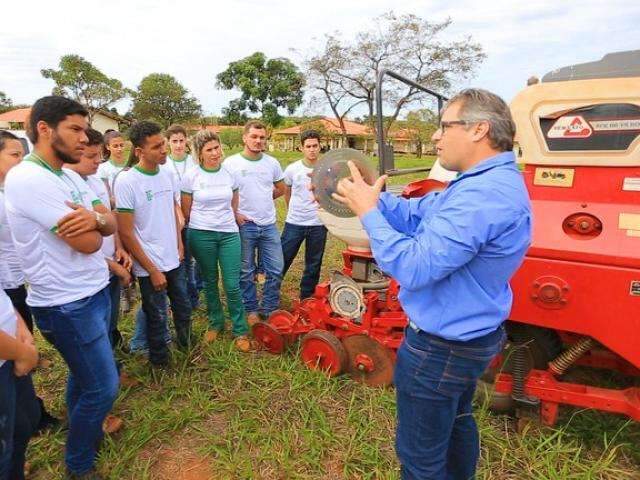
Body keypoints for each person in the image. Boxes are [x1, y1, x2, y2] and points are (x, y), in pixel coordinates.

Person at [333, 89, 532, 479]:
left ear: (479, 129)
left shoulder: (482, 195)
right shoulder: (481, 183)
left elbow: (414, 267)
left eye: (445, 126)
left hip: (441, 351)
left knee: (420, 459)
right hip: (469, 340)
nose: (437, 136)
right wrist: (373, 197)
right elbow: (416, 213)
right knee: (457, 421)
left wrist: (370, 213)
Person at [4, 96, 119, 479]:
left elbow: (110, 222)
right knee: (103, 388)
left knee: (83, 377)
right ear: (44, 129)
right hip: (66, 303)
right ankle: (79, 464)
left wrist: (97, 220)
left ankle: (80, 431)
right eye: (74, 128)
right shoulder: (28, 179)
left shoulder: (69, 175)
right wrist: (97, 224)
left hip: (93, 290)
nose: (84, 138)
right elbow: (88, 243)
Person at [63, 129, 137, 406]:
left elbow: (110, 219)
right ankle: (91, 399)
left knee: (108, 326)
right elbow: (77, 243)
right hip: (90, 272)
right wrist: (112, 265)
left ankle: (113, 372)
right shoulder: (66, 187)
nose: (98, 161)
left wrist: (119, 247)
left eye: (99, 155)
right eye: (92, 156)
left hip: (109, 265)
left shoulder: (95, 182)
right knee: (91, 340)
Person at [115, 121, 192, 368]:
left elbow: (171, 212)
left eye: (164, 144)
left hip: (174, 257)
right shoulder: (127, 181)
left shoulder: (168, 173)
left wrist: (179, 245)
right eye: (157, 146)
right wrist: (152, 269)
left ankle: (187, 347)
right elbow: (126, 232)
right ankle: (160, 364)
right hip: (149, 265)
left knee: (183, 307)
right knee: (157, 316)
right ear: (139, 151)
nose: (164, 150)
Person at [0, 130, 60, 435]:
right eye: (13, 154)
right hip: (6, 285)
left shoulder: (12, 192)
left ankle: (30, 414)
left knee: (21, 347)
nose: (20, 160)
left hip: (17, 282)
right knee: (11, 355)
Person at [181, 131, 252, 351]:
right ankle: (216, 322)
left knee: (232, 285)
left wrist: (228, 220)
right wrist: (203, 225)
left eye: (217, 147)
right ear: (200, 154)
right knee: (210, 282)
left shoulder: (230, 174)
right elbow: (186, 210)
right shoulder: (191, 176)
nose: (215, 153)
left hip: (229, 234)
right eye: (209, 149)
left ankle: (240, 329)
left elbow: (234, 204)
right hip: (201, 234)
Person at [223, 121, 286, 324]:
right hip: (244, 225)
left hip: (268, 224)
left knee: (276, 268)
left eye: (262, 137)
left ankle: (269, 308)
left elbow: (281, 188)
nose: (258, 141)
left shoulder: (272, 163)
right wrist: (236, 214)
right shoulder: (231, 164)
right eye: (254, 137)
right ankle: (250, 308)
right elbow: (223, 194)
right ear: (245, 137)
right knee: (246, 270)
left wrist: (265, 199)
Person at [280, 130, 327, 299]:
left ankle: (306, 298)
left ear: (320, 146)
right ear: (301, 148)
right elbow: (287, 191)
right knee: (282, 258)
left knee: (313, 264)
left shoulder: (327, 169)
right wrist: (292, 210)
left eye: (315, 145)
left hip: (318, 224)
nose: (312, 149)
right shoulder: (293, 169)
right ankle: (271, 293)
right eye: (308, 146)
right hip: (295, 222)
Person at [0, 290, 40, 480]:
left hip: (11, 354)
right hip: (11, 354)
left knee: (24, 425)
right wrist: (23, 353)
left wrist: (21, 327)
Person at [162, 124, 201, 309]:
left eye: (181, 140)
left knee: (195, 259)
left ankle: (194, 294)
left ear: (187, 141)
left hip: (196, 216)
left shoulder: (194, 161)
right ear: (168, 142)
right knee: (181, 259)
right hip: (172, 219)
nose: (178, 145)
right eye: (174, 141)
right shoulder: (164, 164)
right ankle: (183, 297)